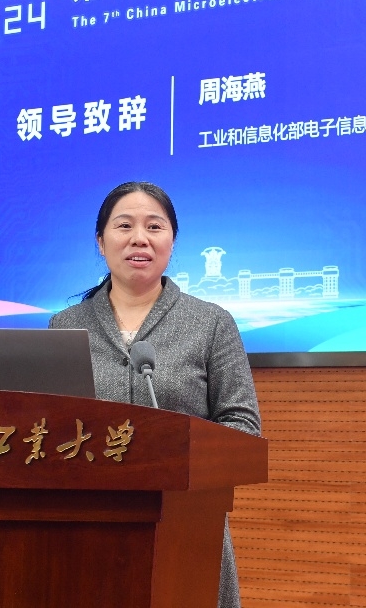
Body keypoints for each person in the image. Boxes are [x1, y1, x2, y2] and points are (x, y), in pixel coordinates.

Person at [49, 181, 260, 608]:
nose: (139, 238)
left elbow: (243, 426)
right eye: (124, 225)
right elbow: (47, 426)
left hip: (186, 524)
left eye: (154, 226)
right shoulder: (65, 326)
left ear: (171, 242)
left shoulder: (211, 323)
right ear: (101, 242)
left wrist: (177, 452)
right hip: (89, 525)